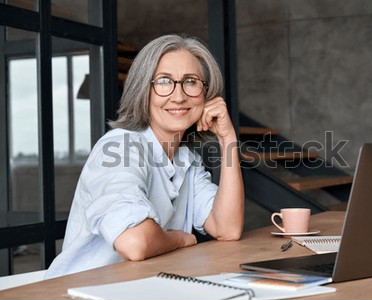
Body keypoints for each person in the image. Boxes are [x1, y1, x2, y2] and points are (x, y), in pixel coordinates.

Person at [45, 34, 244, 278]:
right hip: (82, 298)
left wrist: (228, 139)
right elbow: (135, 243)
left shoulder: (186, 160)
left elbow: (227, 228)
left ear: (205, 93)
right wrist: (178, 240)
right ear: (143, 90)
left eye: (190, 81)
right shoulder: (120, 148)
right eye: (163, 81)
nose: (179, 96)